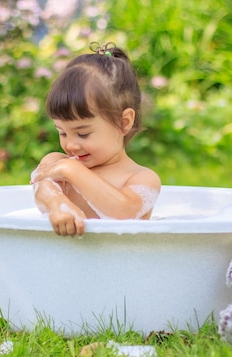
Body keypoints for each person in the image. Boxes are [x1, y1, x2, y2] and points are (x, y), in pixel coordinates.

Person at [30, 42, 161, 237]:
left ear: (123, 122)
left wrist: (73, 171)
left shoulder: (142, 179)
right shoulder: (56, 162)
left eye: (83, 134)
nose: (71, 145)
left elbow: (124, 214)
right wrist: (57, 203)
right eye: (62, 132)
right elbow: (42, 189)